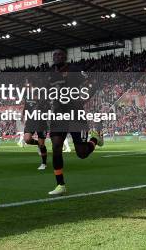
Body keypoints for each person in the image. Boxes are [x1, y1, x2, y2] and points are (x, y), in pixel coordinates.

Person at [47, 48, 103, 196]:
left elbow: (93, 82)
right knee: (56, 146)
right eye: (55, 54)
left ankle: (95, 138)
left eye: (60, 54)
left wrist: (84, 98)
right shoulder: (50, 73)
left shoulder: (74, 70)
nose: (57, 56)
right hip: (58, 114)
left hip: (75, 113)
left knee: (82, 153)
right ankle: (60, 184)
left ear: (65, 57)